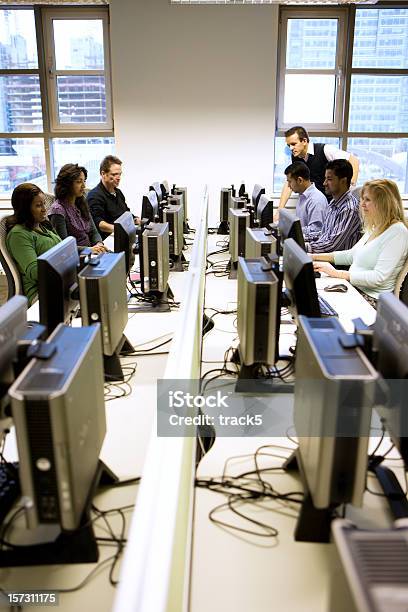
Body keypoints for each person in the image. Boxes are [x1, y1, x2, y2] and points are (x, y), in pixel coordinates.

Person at [313, 179, 408, 307]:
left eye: (367, 200)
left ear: (384, 203)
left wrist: (337, 274)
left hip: (372, 300)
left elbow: (378, 277)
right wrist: (312, 256)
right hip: (355, 289)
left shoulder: (398, 232)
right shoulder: (376, 226)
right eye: (362, 199)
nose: (362, 204)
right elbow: (351, 256)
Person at [275, 126, 359, 219]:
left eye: (293, 144)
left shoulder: (325, 150)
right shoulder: (296, 157)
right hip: (312, 205)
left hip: (331, 205)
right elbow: (290, 181)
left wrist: (350, 188)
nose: (291, 148)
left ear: (304, 141)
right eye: (288, 145)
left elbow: (354, 160)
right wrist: (280, 210)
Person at [6, 183, 61, 306]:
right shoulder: (18, 235)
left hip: (59, 282)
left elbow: (63, 249)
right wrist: (66, 266)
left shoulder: (43, 225)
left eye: (43, 204)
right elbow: (36, 272)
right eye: (38, 205)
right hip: (40, 294)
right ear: (25, 209)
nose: (44, 209)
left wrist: (88, 250)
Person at [305, 159, 361, 253]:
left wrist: (303, 247)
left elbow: (332, 245)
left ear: (343, 181)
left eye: (329, 179)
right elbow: (325, 234)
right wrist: (301, 237)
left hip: (336, 264)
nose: (324, 183)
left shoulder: (349, 209)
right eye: (325, 178)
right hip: (325, 255)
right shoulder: (333, 203)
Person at [48, 163, 106, 254]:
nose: (83, 186)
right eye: (79, 182)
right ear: (67, 185)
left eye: (84, 181)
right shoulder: (57, 210)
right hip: (75, 259)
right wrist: (89, 250)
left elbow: (94, 232)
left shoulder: (81, 202)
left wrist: (99, 244)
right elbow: (63, 247)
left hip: (91, 253)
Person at [87, 155, 139, 240]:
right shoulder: (94, 196)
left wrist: (135, 219)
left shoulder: (118, 193)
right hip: (108, 239)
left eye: (119, 174)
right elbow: (99, 223)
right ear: (103, 174)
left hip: (122, 235)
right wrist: (119, 229)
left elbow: (126, 212)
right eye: (114, 174)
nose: (118, 178)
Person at [284, 161, 328, 238]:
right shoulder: (302, 195)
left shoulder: (316, 200)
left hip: (311, 245)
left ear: (300, 180)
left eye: (290, 182)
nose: (288, 185)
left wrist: (291, 229)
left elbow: (316, 230)